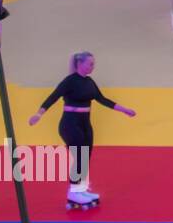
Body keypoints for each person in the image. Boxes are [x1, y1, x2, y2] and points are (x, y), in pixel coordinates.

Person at [28, 51, 137, 210]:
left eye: (94, 64)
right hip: (70, 124)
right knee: (79, 156)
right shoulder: (70, 81)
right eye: (90, 64)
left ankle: (81, 189)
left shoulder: (90, 82)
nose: (93, 67)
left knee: (85, 157)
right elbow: (53, 97)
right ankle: (73, 191)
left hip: (85, 124)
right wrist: (39, 114)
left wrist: (124, 110)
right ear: (80, 64)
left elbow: (102, 99)